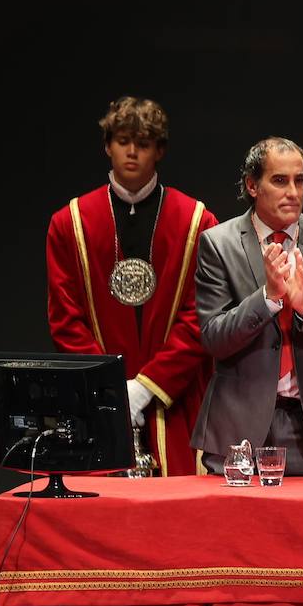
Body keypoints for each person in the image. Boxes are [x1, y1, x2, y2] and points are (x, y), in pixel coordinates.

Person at [46, 96, 218, 476]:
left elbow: (201, 316)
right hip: (98, 402)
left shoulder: (197, 222)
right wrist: (111, 387)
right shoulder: (69, 223)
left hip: (177, 401)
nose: (132, 152)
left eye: (143, 143)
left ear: (160, 150)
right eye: (123, 141)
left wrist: (146, 387)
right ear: (107, 146)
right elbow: (66, 319)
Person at [191, 137, 303, 475]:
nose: (293, 192)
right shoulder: (218, 244)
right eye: (279, 180)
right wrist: (267, 300)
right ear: (252, 185)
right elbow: (213, 337)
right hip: (238, 429)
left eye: (299, 180)